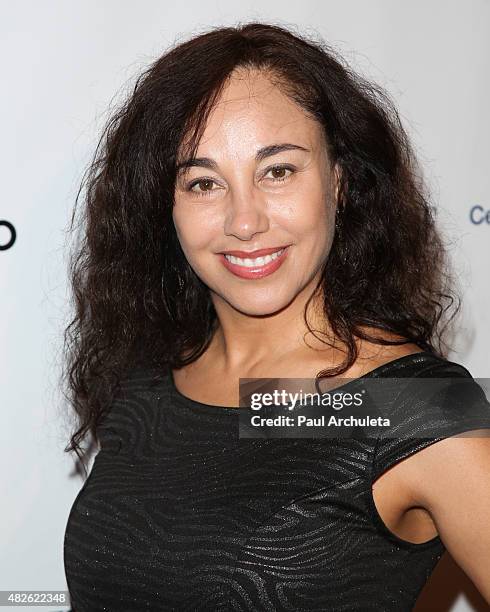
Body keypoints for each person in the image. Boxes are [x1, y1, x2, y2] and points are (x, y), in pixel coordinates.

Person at [62, 22, 490, 611]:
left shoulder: (412, 407)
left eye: (278, 171)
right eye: (204, 182)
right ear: (167, 205)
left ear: (339, 181)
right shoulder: (149, 376)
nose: (245, 220)